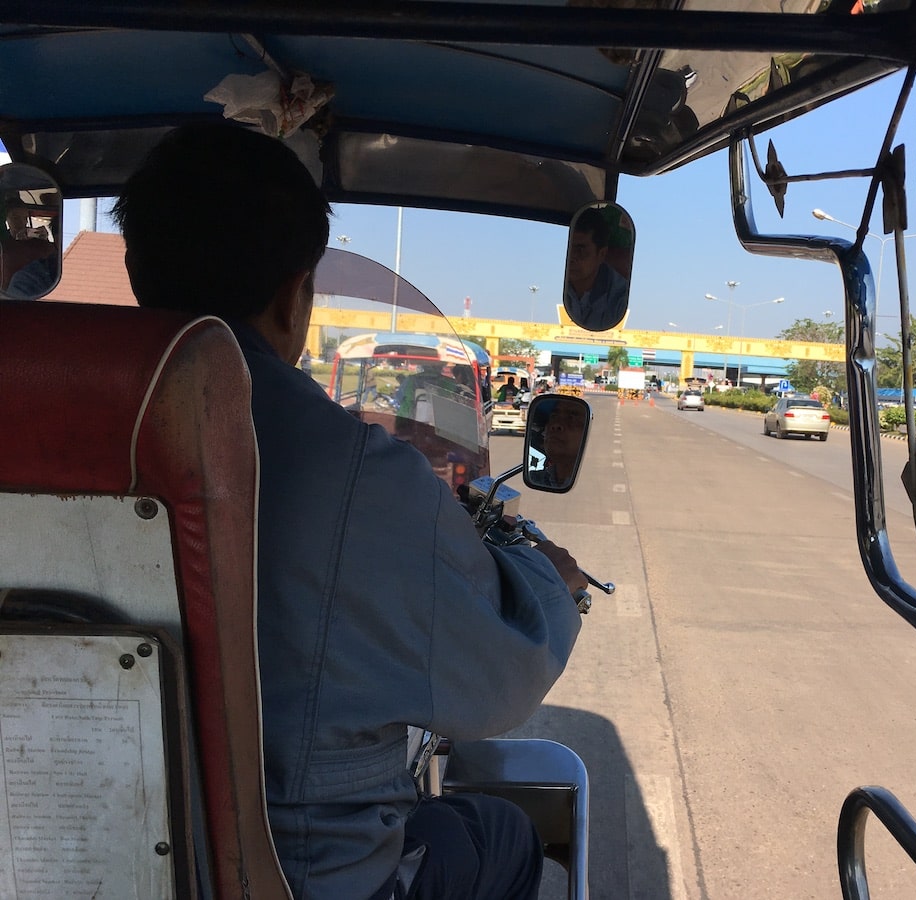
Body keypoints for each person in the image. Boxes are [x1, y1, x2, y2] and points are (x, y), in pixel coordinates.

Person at [112, 123, 587, 900]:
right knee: (500, 833)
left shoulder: (44, 423)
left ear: (137, 269)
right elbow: (502, 679)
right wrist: (550, 585)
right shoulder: (355, 474)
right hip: (309, 879)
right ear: (294, 293)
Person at [563, 206, 629, 331]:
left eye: (580, 250)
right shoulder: (558, 284)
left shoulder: (619, 299)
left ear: (602, 254)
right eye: (569, 249)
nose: (572, 257)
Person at [527, 398, 589, 489]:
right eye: (554, 416)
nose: (556, 425)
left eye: (572, 418)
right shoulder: (534, 478)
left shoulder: (588, 485)